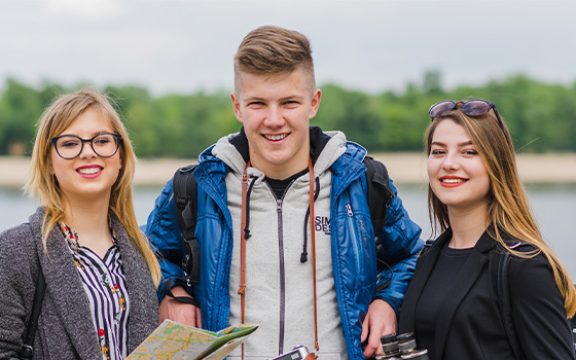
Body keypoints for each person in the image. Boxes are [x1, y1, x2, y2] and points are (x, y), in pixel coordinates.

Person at [145, 25, 423, 359]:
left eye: (289, 102)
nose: (274, 120)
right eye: (258, 103)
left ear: (314, 102)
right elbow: (148, 252)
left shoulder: (362, 181)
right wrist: (173, 291)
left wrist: (387, 301)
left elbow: (412, 254)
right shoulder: (196, 186)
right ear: (237, 106)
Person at [398, 99, 576, 359]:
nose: (448, 163)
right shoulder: (428, 256)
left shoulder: (524, 266)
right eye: (438, 151)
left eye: (468, 152)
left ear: (496, 163)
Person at [0, 89, 161, 359]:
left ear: (120, 156)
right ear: (48, 161)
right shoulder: (14, 251)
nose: (88, 153)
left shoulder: (142, 251)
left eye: (101, 140)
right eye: (70, 143)